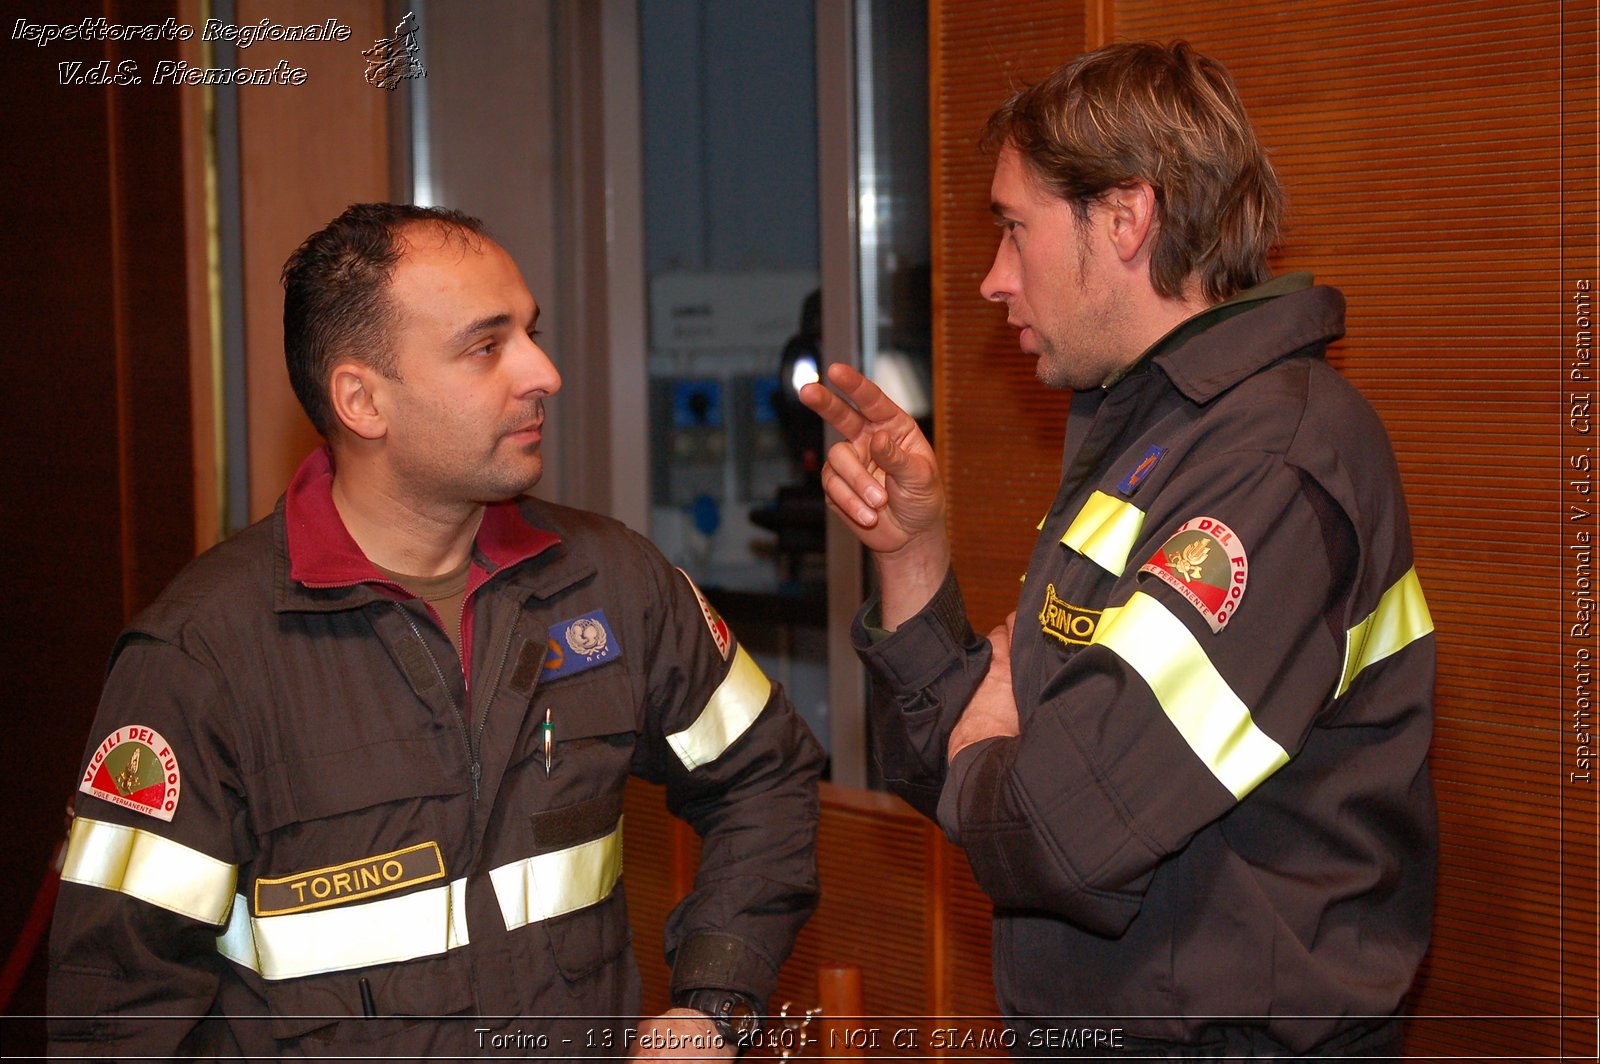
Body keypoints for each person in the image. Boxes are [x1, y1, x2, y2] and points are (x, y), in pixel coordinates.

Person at [49, 203, 824, 1058]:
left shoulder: (610, 583)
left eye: (531, 332)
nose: (545, 372)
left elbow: (767, 775)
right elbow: (113, 1016)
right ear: (363, 400)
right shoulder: (204, 657)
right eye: (487, 347)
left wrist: (713, 1007)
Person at [802, 41, 1435, 1058]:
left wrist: (988, 748)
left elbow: (1055, 831)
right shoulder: (1148, 434)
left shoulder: (1270, 462)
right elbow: (964, 789)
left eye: (1014, 229)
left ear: (1127, 217)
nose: (990, 279)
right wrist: (912, 555)